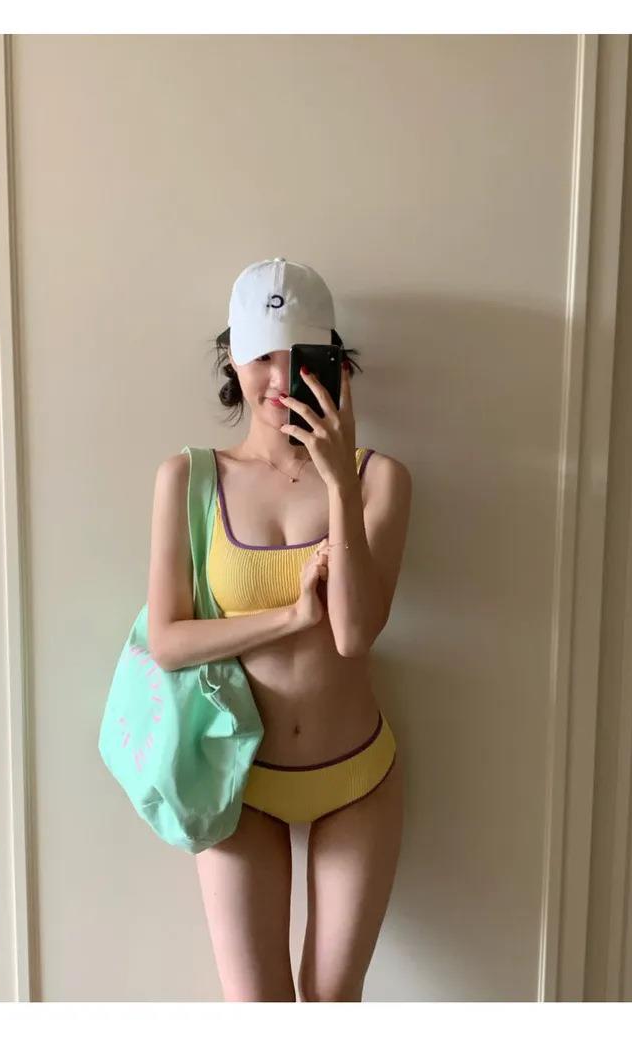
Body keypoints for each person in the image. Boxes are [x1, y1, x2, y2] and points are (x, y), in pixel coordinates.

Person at [147, 258, 412, 1001]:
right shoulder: (188, 479)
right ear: (232, 357)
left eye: (300, 358)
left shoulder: (380, 479)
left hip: (357, 778)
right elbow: (167, 641)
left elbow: (353, 634)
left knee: (330, 1007)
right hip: (240, 782)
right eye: (261, 355)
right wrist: (289, 617)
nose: (278, 378)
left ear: (334, 364)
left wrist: (338, 483)